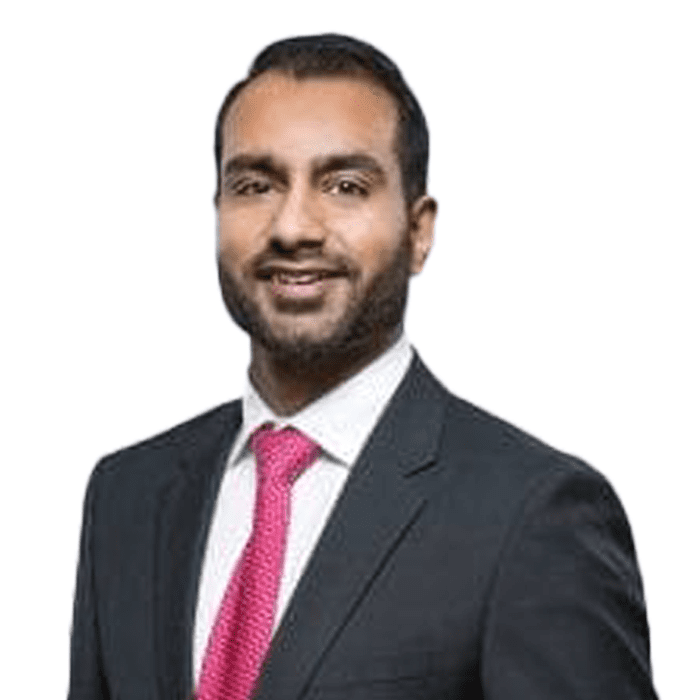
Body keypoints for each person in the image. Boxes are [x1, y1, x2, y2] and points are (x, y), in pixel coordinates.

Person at [68, 34, 658, 700]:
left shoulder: (532, 515)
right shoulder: (127, 495)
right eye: (255, 185)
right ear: (218, 212)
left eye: (345, 185)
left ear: (420, 231)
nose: (293, 225)